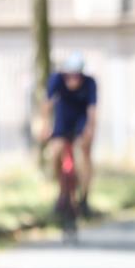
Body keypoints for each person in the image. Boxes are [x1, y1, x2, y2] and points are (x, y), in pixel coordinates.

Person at [43, 52, 98, 231]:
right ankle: (61, 191)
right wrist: (44, 126)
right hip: (63, 120)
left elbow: (92, 111)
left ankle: (84, 197)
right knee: (55, 152)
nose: (72, 80)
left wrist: (90, 130)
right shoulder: (56, 80)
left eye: (76, 76)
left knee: (82, 152)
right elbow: (47, 105)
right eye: (69, 75)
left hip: (80, 121)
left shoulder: (90, 84)